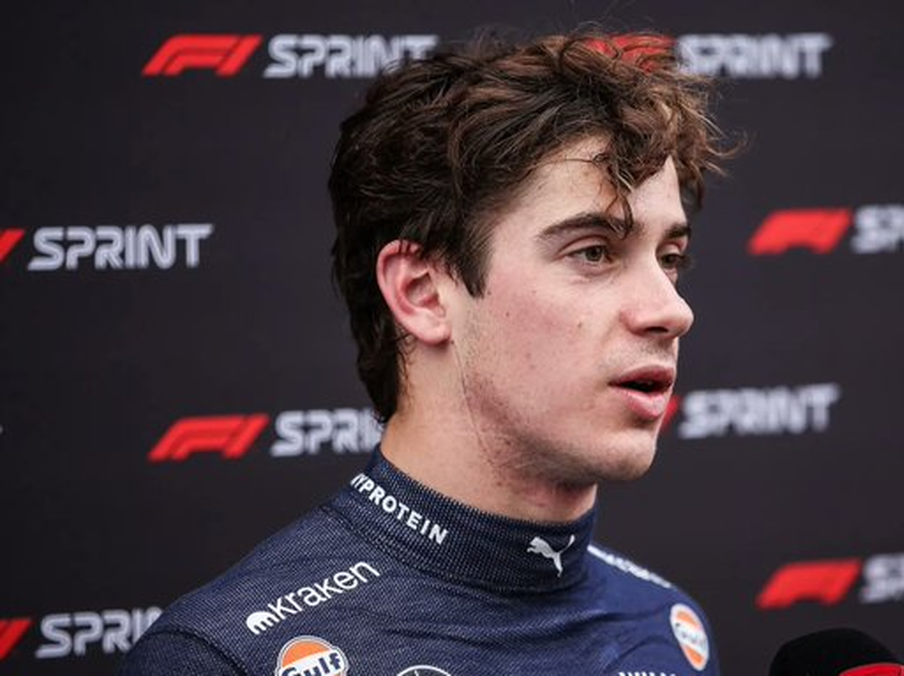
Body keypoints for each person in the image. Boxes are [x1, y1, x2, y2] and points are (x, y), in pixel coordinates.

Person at [120, 30, 730, 676]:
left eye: (671, 258)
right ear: (422, 293)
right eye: (594, 252)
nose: (672, 310)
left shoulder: (672, 629)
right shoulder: (227, 658)